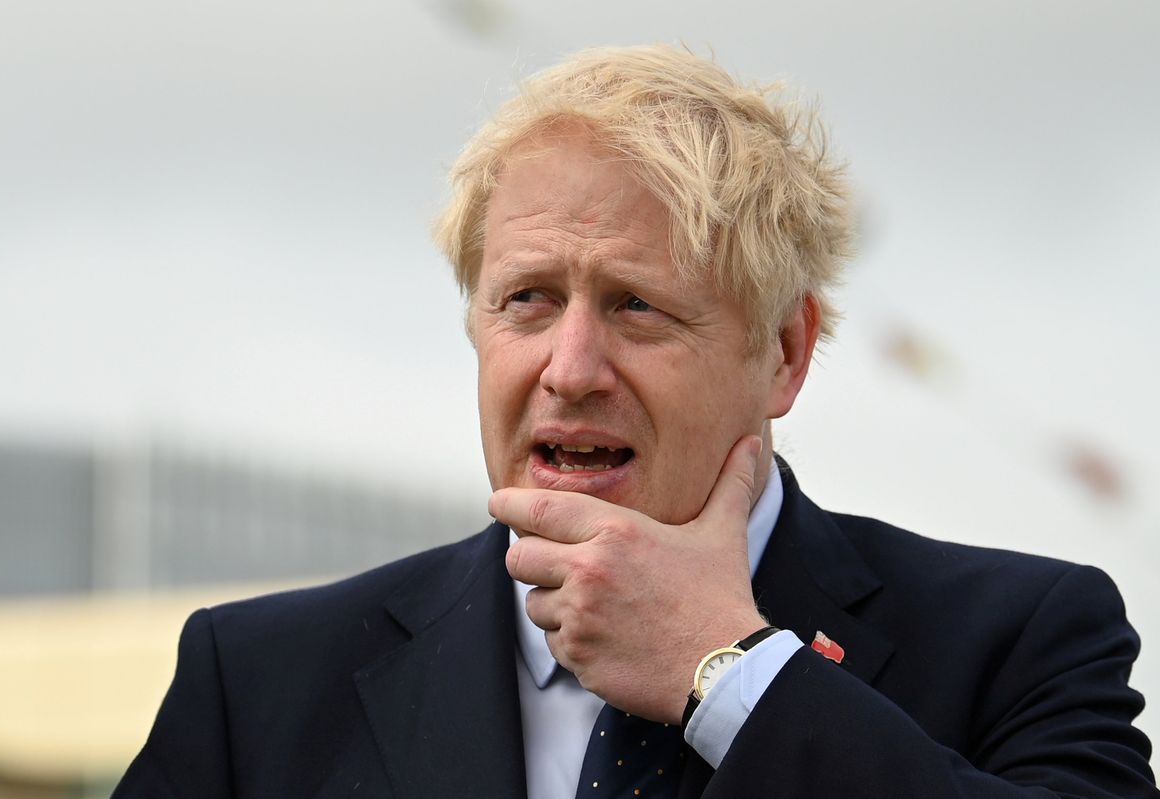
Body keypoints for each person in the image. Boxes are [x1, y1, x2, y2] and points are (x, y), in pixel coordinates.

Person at [112, 45, 1157, 798]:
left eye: (636, 305)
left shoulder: (1022, 639)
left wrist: (729, 670)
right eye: (526, 299)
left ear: (786, 352)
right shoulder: (256, 683)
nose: (569, 369)